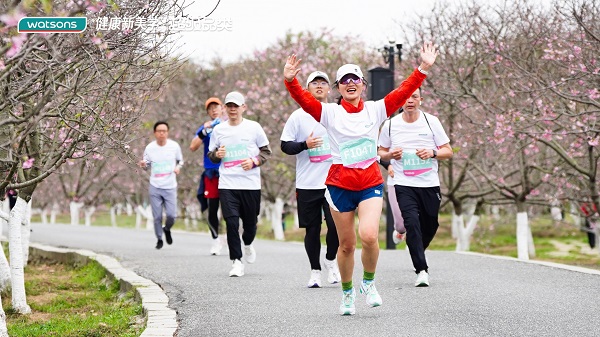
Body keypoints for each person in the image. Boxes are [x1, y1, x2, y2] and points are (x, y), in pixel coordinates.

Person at [283, 42, 439, 315]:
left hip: (369, 183)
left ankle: (368, 283)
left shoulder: (376, 110)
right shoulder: (329, 112)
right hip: (339, 184)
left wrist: (423, 68)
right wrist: (290, 80)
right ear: (338, 88)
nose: (350, 83)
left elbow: (403, 91)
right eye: (344, 80)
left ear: (363, 85)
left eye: (355, 79)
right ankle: (347, 293)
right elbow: (303, 100)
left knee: (368, 236)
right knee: (346, 245)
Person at [377, 86, 453, 287]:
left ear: (421, 99)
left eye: (414, 96)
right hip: (403, 183)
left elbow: (448, 150)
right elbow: (381, 151)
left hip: (428, 183)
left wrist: (432, 153)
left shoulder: (431, 122)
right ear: (400, 100)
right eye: (406, 97)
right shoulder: (391, 125)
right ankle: (421, 269)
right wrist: (390, 156)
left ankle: (416, 245)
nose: (410, 100)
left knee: (430, 224)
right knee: (411, 223)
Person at [280, 70, 341, 288]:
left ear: (329, 88)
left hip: (334, 182)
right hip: (307, 183)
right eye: (313, 83)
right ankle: (315, 271)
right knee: (312, 229)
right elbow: (285, 145)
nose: (318, 86)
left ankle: (331, 260)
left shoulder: (337, 111)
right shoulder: (298, 116)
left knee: (336, 227)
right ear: (307, 89)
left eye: (323, 82)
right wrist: (305, 144)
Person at [207, 91, 272, 277]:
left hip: (250, 184)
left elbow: (266, 152)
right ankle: (236, 261)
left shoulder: (254, 127)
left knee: (250, 224)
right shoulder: (219, 130)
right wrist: (216, 155)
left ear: (244, 107)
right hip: (227, 183)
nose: (233, 109)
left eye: (236, 106)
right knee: (231, 222)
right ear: (225, 109)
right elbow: (211, 155)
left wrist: (254, 162)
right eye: (229, 106)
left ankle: (249, 243)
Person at [139, 121, 184, 250]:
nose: (162, 133)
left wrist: (177, 167)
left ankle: (167, 228)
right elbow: (146, 166)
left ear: (167, 132)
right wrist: (143, 165)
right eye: (159, 131)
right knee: (157, 216)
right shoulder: (149, 148)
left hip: (170, 186)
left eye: (164, 131)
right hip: (155, 186)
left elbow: (180, 161)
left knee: (171, 215)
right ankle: (159, 238)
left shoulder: (174, 146)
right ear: (155, 133)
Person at [190, 97, 225, 256]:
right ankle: (215, 240)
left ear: (222, 108)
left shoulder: (229, 125)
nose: (213, 110)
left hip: (229, 170)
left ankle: (233, 238)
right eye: (210, 108)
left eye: (216, 107)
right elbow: (193, 146)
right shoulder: (206, 128)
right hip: (211, 172)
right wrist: (204, 131)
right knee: (212, 208)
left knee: (231, 207)